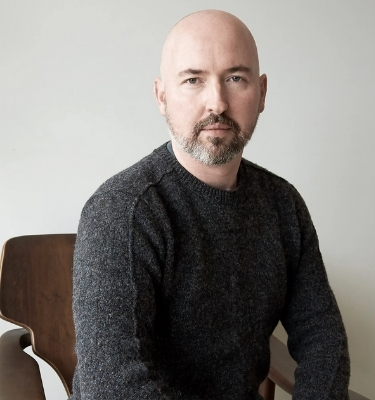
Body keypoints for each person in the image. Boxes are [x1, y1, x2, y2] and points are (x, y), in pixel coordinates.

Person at [70, 9, 350, 400]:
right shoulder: (121, 210)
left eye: (235, 78)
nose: (217, 102)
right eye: (193, 80)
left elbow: (323, 337)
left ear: (262, 93)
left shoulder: (283, 205)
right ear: (162, 96)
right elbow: (114, 384)